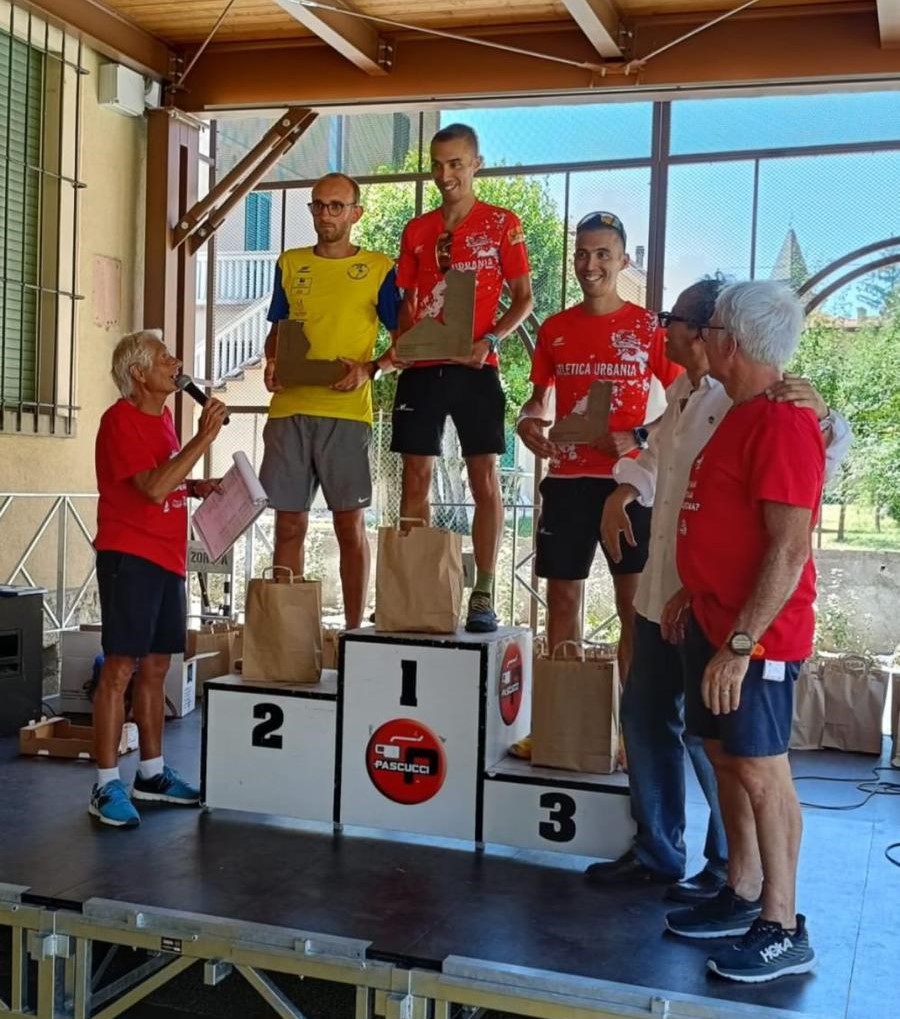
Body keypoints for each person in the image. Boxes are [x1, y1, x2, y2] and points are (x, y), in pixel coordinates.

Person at [590, 277, 850, 897]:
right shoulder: (689, 393)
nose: (667, 330)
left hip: (734, 612)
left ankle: (738, 872)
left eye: (678, 320)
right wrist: (623, 490)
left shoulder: (766, 403)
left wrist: (825, 417)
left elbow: (808, 485)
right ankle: (662, 850)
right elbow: (656, 459)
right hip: (675, 591)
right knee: (658, 718)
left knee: (732, 750)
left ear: (715, 334)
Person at [660, 280, 828, 983]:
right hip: (713, 617)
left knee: (761, 768)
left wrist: (740, 644)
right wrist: (692, 589)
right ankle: (744, 888)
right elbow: (725, 520)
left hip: (756, 637)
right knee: (725, 755)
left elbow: (788, 549)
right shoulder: (740, 411)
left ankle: (783, 926)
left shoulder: (783, 422)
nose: (700, 339)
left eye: (708, 329)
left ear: (730, 342)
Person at [512, 211, 681, 758]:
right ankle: (561, 726)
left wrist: (638, 434)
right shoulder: (555, 329)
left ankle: (634, 735)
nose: (591, 265)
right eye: (582, 254)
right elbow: (539, 400)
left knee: (633, 609)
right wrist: (527, 421)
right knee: (562, 600)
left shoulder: (650, 329)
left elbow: (685, 402)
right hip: (566, 482)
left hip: (626, 487)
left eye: (603, 254)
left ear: (623, 260)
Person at [388, 123, 534, 633]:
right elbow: (407, 302)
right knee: (415, 478)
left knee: (483, 478)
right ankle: (417, 591)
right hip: (423, 368)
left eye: (455, 163)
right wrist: (403, 341)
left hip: (476, 367)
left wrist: (489, 340)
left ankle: (483, 592)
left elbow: (524, 300)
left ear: (476, 164)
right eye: (437, 164)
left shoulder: (501, 223)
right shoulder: (417, 230)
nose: (445, 174)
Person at [91, 329, 227, 828]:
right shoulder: (118, 421)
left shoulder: (165, 418)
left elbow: (164, 479)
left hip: (168, 558)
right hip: (130, 556)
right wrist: (203, 439)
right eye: (164, 357)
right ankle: (105, 783)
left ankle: (150, 774)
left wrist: (194, 486)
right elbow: (149, 488)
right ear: (138, 373)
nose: (176, 363)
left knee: (155, 667)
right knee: (120, 668)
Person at [261, 172, 400, 629]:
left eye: (336, 206)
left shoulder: (379, 267)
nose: (326, 214)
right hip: (289, 410)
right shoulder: (290, 262)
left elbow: (404, 340)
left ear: (356, 213)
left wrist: (370, 369)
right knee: (289, 526)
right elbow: (278, 330)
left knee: (349, 527)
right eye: (318, 205)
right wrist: (271, 362)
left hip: (347, 414)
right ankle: (286, 637)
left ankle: (354, 632)